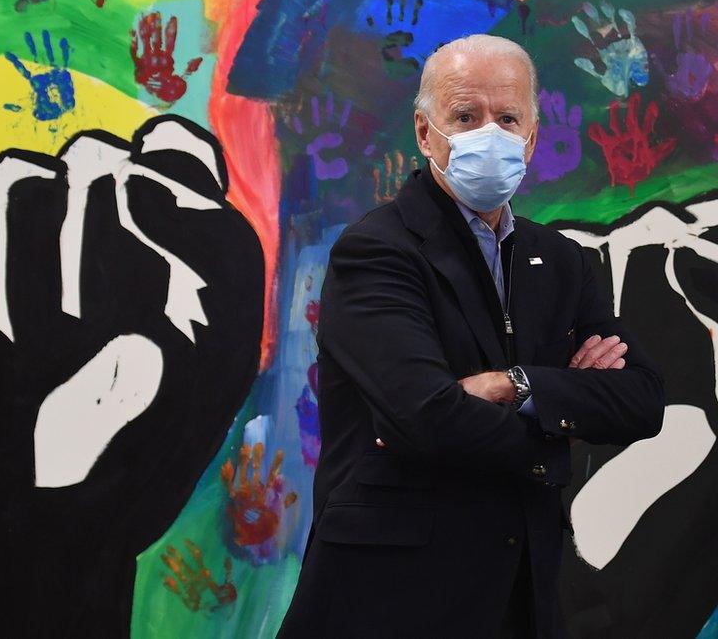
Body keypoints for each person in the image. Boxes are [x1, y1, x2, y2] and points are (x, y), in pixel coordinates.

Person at [276, 34, 665, 638]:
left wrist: (517, 383)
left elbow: (642, 400)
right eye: (466, 115)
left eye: (508, 118)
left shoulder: (560, 260)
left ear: (532, 138)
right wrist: (564, 419)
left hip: (521, 593)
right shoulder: (377, 251)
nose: (490, 133)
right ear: (425, 132)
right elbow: (428, 415)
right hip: (391, 598)